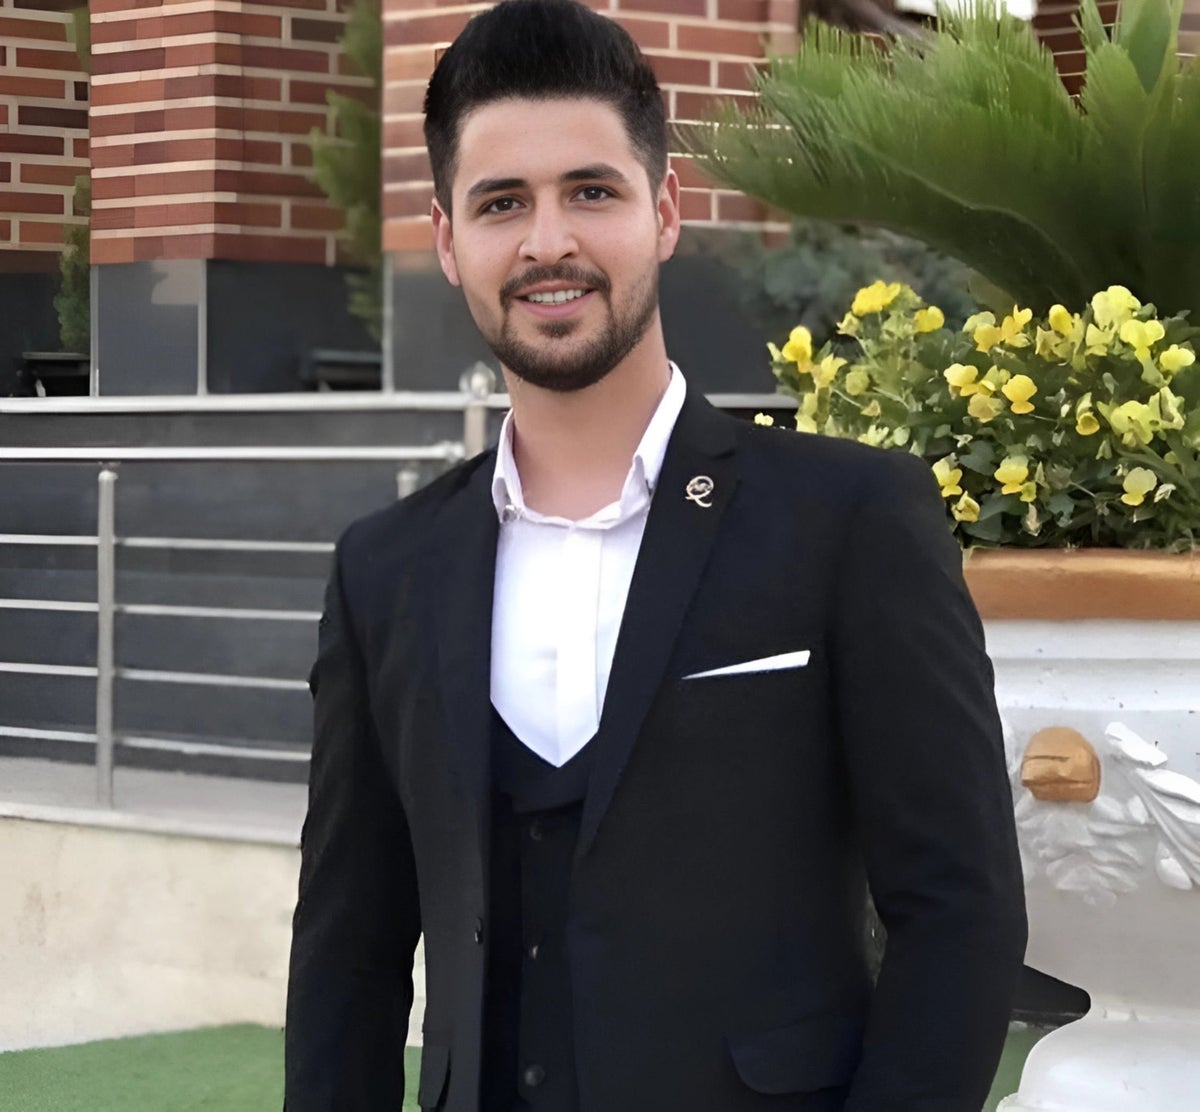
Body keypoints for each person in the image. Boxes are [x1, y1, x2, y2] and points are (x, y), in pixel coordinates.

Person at [283, 1, 1027, 1109]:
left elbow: (960, 909)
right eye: (501, 202)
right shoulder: (383, 571)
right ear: (446, 240)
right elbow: (348, 954)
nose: (548, 242)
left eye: (591, 191)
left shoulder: (851, 518)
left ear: (665, 211)